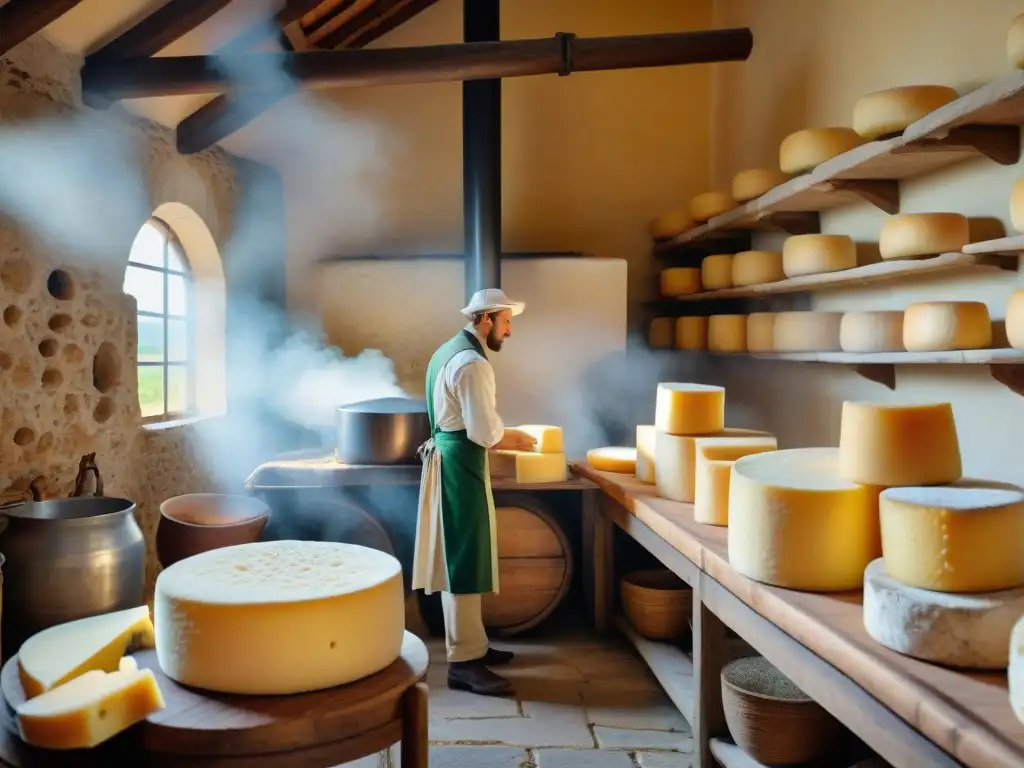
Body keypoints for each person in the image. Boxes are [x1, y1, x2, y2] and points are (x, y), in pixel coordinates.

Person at [412, 288, 537, 696]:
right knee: (463, 560)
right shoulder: (473, 364)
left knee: (465, 555)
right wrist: (511, 436)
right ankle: (463, 663)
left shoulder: (445, 351)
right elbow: (484, 432)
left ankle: (475, 646)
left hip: (453, 458)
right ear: (486, 319)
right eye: (506, 321)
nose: (510, 329)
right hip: (460, 464)